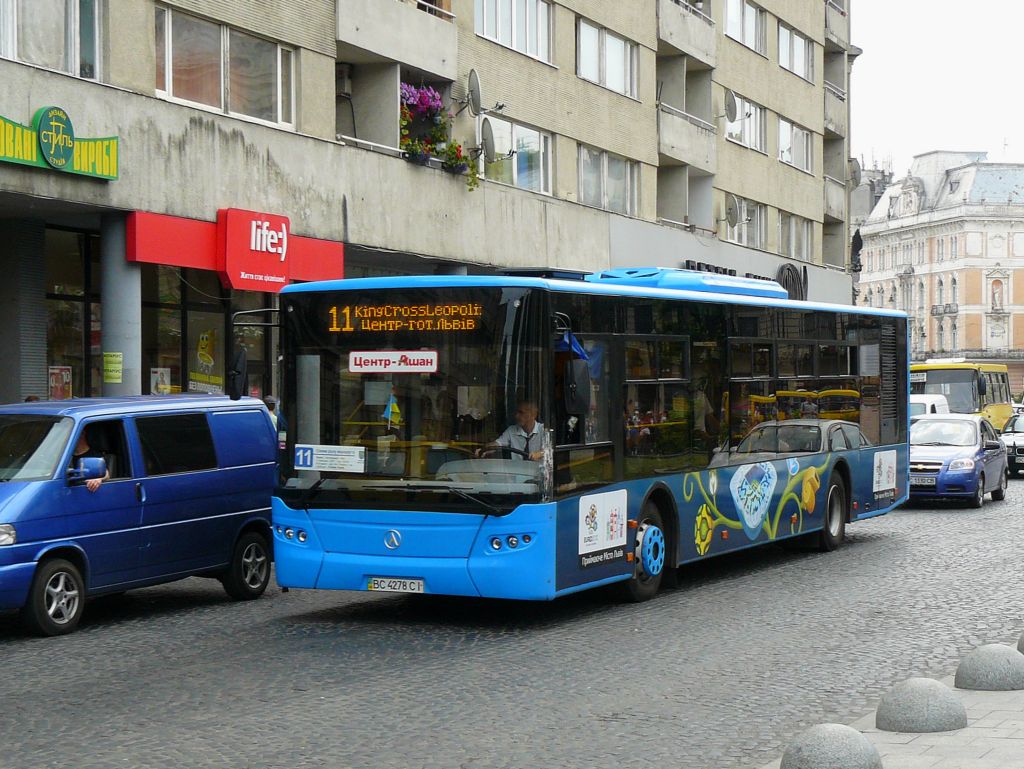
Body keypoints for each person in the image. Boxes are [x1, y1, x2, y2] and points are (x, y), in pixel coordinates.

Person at [480, 400, 544, 461]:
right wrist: (485, 449)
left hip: (537, 471)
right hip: (516, 470)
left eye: (521, 412)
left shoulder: (543, 430)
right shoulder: (511, 430)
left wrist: (540, 453)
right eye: (517, 412)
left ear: (533, 415)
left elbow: (550, 450)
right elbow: (498, 444)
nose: (516, 416)